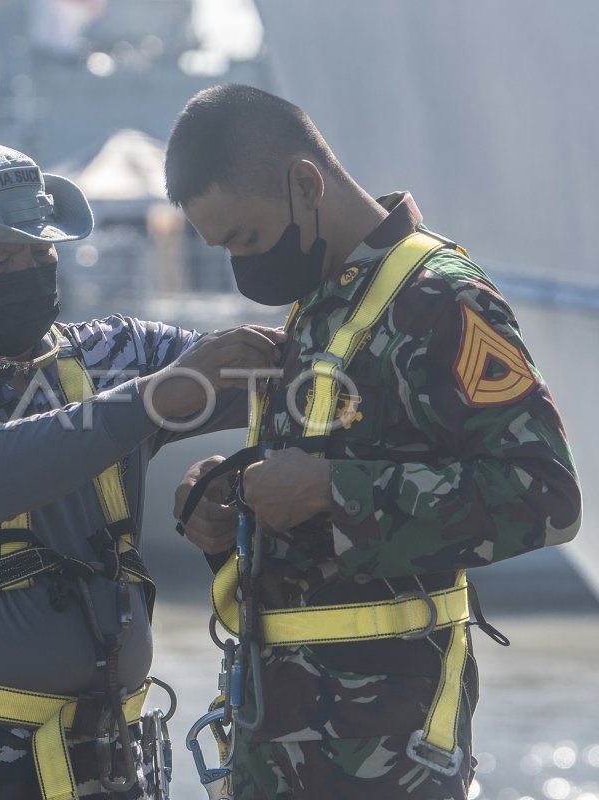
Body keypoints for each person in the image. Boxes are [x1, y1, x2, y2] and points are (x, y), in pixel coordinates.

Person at [165, 83, 582, 800]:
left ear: (304, 183)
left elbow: (545, 496)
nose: (241, 265)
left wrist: (333, 489)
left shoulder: (441, 299)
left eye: (246, 238)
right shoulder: (321, 304)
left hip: (389, 758)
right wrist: (226, 499)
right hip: (281, 744)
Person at [0, 142, 285, 800]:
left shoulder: (117, 352)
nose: (27, 272)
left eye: (40, 254)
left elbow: (287, 385)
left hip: (108, 759)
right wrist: (157, 396)